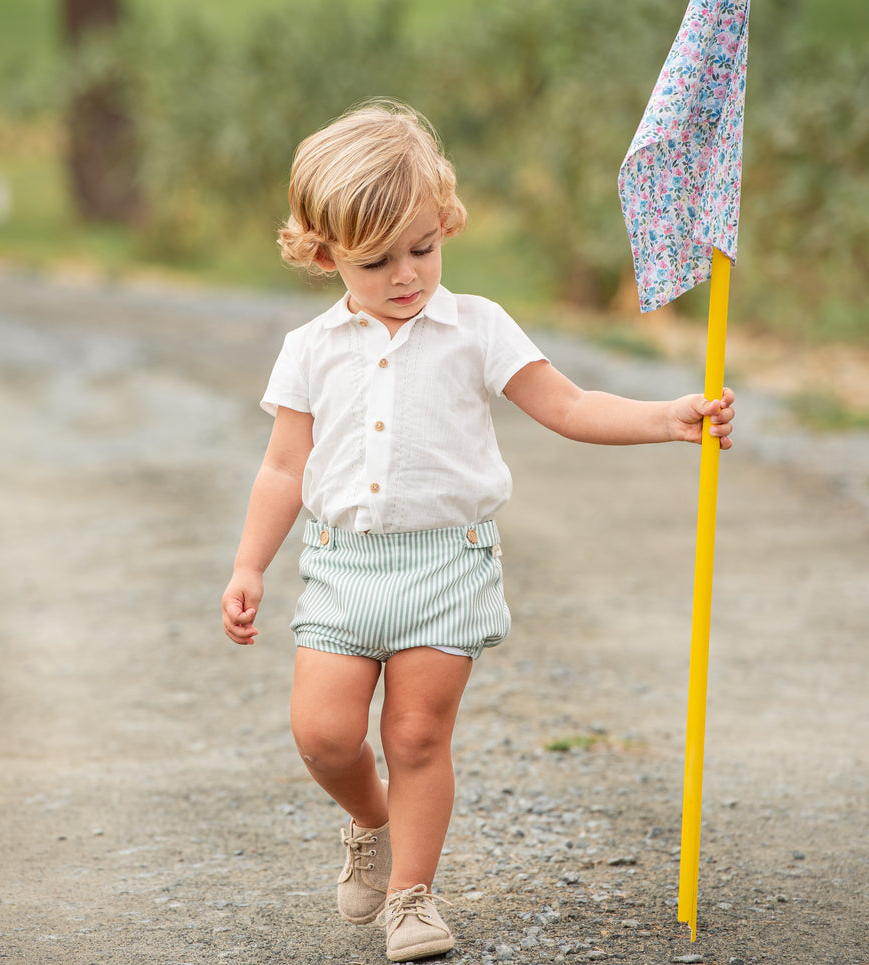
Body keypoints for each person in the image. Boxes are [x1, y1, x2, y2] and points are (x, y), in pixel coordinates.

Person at [220, 99, 735, 963]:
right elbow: (282, 468)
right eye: (375, 260)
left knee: (417, 735)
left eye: (422, 247)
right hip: (343, 568)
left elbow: (567, 405)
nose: (405, 275)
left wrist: (667, 416)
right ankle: (370, 822)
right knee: (324, 735)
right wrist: (249, 564)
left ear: (445, 224)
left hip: (446, 566)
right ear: (322, 253)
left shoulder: (476, 327)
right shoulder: (309, 348)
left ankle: (413, 897)